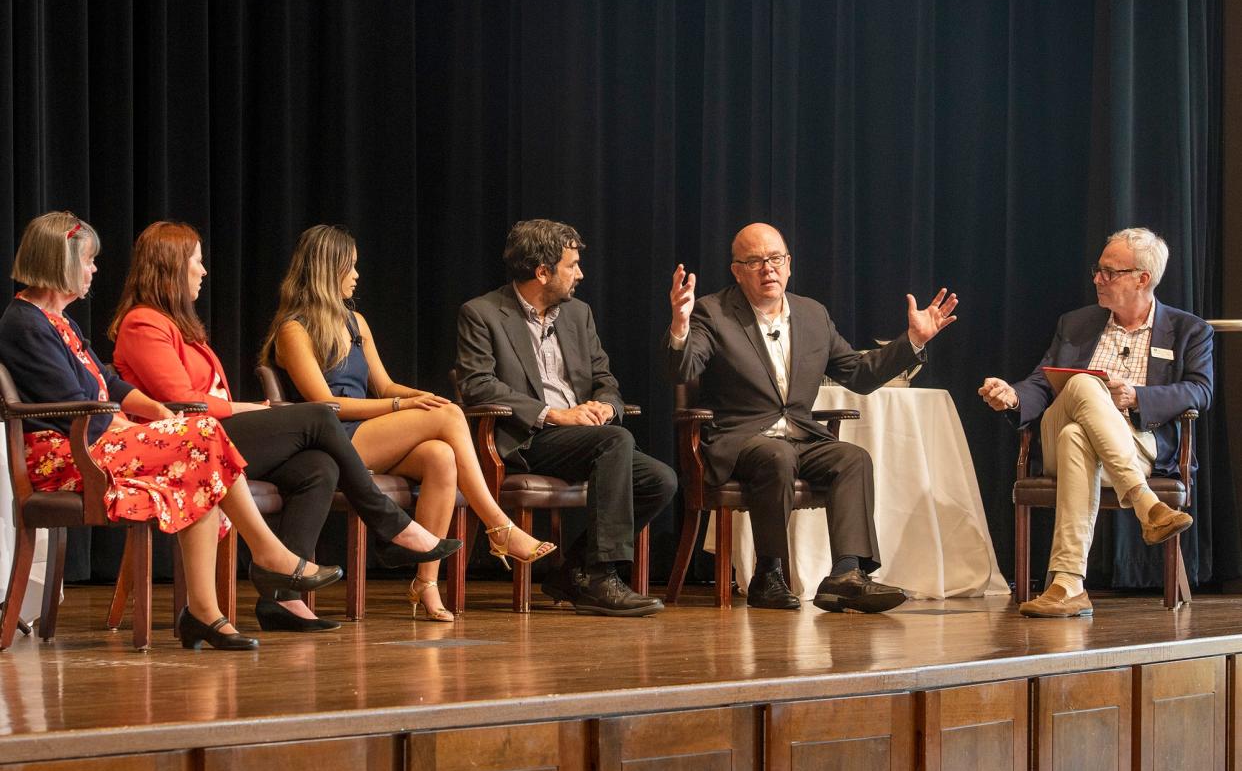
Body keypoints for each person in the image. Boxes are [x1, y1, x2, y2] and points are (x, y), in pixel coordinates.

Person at [0, 211, 343, 651]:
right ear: (60, 261)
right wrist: (125, 421)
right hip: (70, 457)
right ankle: (264, 558)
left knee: (198, 453)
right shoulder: (24, 323)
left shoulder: (59, 320)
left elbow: (108, 381)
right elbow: (73, 405)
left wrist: (157, 411)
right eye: (87, 260)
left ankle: (205, 612)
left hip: (95, 441)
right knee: (201, 440)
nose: (94, 269)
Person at [110, 221, 461, 631]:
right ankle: (391, 525)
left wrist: (252, 409)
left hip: (210, 439)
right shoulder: (143, 322)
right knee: (317, 413)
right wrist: (254, 410)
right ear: (171, 267)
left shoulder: (180, 327)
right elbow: (184, 400)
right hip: (185, 446)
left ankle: (282, 599)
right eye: (197, 262)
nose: (204, 272)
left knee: (318, 467)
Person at [261, 225, 557, 622]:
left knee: (439, 456)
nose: (356, 275)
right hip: (330, 439)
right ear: (327, 270)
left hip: (366, 434)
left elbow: (382, 385)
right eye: (350, 267)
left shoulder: (355, 322)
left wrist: (418, 398)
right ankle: (498, 526)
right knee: (448, 417)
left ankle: (427, 583)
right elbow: (324, 404)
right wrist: (402, 407)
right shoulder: (293, 329)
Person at [665, 222, 958, 613]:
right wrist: (680, 326)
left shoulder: (811, 314)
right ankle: (768, 575)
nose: (767, 268)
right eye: (754, 261)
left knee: (852, 458)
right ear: (737, 271)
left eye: (775, 259)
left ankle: (846, 575)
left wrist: (914, 341)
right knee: (776, 456)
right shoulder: (713, 312)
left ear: (789, 265)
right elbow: (683, 370)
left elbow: (859, 374)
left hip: (800, 436)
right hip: (740, 440)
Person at [979, 227, 1211, 618]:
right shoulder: (1077, 323)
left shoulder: (1189, 330)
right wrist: (1014, 396)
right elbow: (1041, 381)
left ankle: (1068, 584)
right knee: (1084, 384)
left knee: (1076, 437)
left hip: (1140, 443)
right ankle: (1144, 502)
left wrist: (1138, 397)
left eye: (1110, 272)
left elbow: (1199, 391)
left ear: (1143, 278)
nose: (1097, 279)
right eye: (1097, 270)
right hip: (1067, 432)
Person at [457, 219, 678, 617]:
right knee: (616, 441)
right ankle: (601, 578)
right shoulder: (483, 313)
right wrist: (554, 414)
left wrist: (606, 407)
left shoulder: (578, 315)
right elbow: (477, 385)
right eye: (572, 265)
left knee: (660, 480)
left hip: (582, 438)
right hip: (526, 438)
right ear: (543, 272)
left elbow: (604, 379)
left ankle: (571, 571)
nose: (580, 274)